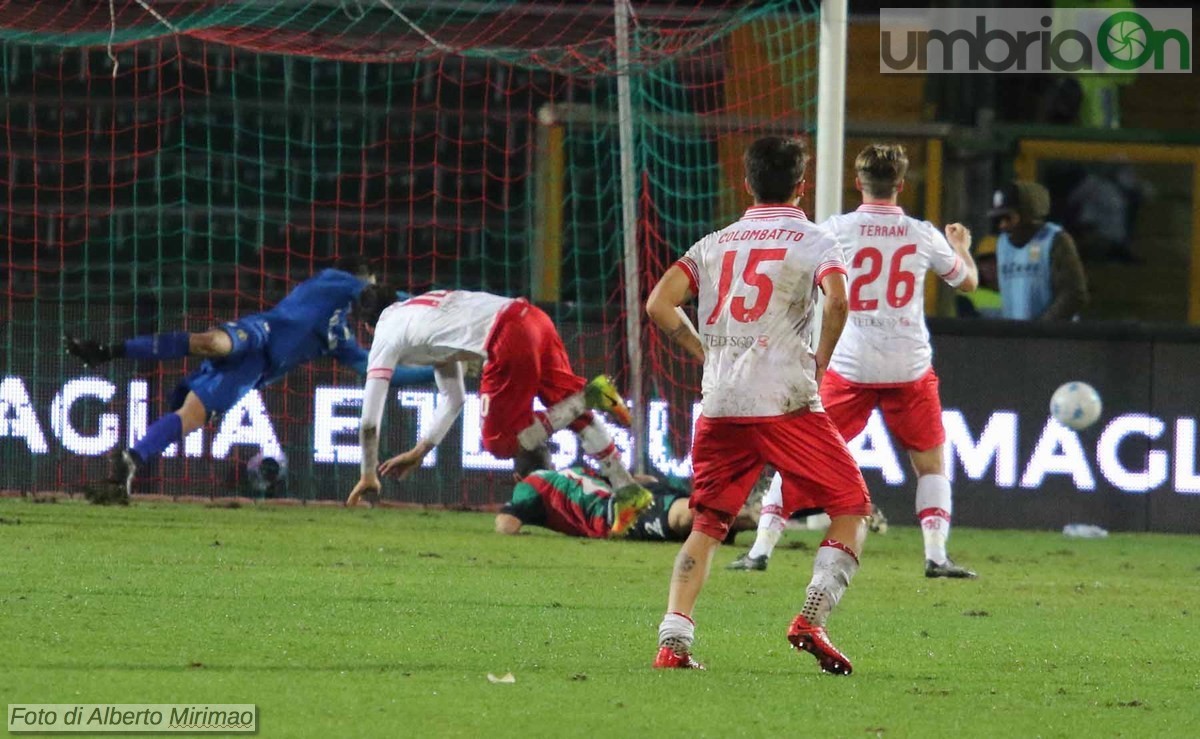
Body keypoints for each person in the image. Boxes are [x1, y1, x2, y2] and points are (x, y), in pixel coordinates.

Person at [645, 135, 872, 674]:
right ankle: (811, 618)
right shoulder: (815, 239)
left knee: (708, 524)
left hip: (722, 403)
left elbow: (660, 304)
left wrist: (702, 350)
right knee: (851, 506)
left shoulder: (714, 242)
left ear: (745, 183)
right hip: (785, 400)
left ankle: (672, 642)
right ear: (801, 186)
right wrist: (821, 357)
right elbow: (839, 297)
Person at [728, 143, 980, 580]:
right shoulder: (922, 233)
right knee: (931, 464)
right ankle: (936, 556)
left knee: (798, 457)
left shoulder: (835, 230)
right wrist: (961, 246)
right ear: (900, 185)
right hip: (909, 365)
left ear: (858, 184)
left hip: (850, 365)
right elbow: (968, 282)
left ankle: (761, 550)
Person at [63, 257, 434, 501]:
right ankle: (109, 350)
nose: (369, 297)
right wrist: (432, 307)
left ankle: (129, 462)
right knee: (212, 343)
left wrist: (433, 372)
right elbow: (385, 296)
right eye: (368, 287)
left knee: (191, 418)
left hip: (254, 372)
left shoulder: (341, 339)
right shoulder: (335, 281)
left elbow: (382, 372)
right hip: (261, 332)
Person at [346, 289, 653, 535]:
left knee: (499, 442)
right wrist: (421, 450)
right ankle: (627, 490)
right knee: (569, 412)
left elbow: (369, 423)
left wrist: (368, 474)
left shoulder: (385, 336)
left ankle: (589, 396)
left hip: (508, 336)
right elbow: (453, 399)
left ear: (366, 326)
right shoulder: (422, 312)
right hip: (533, 317)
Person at [989, 180, 1088, 320]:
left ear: (1027, 214)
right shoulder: (1002, 244)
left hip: (1053, 338)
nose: (1003, 225)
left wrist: (1041, 329)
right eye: (999, 219)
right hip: (1017, 338)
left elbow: (1074, 294)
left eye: (1008, 218)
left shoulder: (1055, 240)